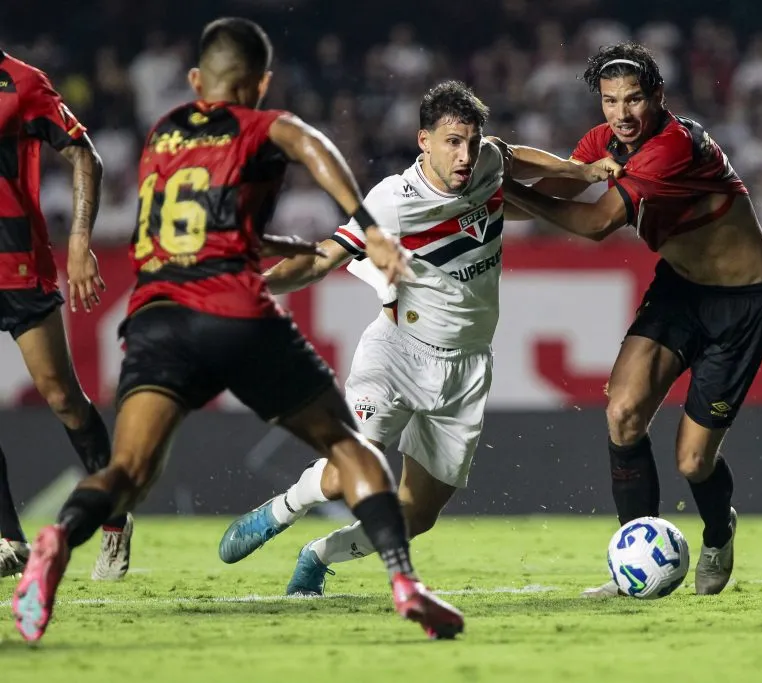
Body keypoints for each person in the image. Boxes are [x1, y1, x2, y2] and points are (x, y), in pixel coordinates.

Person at [11, 17, 463, 643]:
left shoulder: (162, 134)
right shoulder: (259, 124)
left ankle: (57, 538)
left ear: (197, 80)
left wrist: (276, 240)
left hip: (157, 317)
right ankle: (404, 581)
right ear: (261, 84)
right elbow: (311, 146)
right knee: (349, 448)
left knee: (129, 471)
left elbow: (192, 229)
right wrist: (369, 225)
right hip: (236, 312)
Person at [217, 80, 618, 596]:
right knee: (347, 470)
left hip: (467, 367)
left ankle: (321, 555)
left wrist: (579, 170)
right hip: (398, 353)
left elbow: (515, 156)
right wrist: (254, 287)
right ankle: (281, 510)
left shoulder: (487, 161)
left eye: (472, 141)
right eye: (452, 141)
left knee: (419, 513)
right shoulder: (392, 201)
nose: (465, 154)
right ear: (423, 140)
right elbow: (321, 258)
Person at [500, 42, 762, 597]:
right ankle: (632, 563)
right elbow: (558, 185)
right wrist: (476, 195)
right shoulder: (604, 142)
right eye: (609, 101)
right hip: (682, 289)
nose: (621, 114)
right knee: (624, 413)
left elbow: (595, 223)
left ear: (658, 96)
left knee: (693, 459)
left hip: (742, 303)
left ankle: (719, 530)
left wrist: (506, 189)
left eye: (633, 100)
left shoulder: (672, 146)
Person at [0, 48, 132, 581]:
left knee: (62, 398)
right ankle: (8, 539)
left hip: (17, 266)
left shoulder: (22, 83)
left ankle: (116, 518)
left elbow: (84, 155)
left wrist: (79, 241)